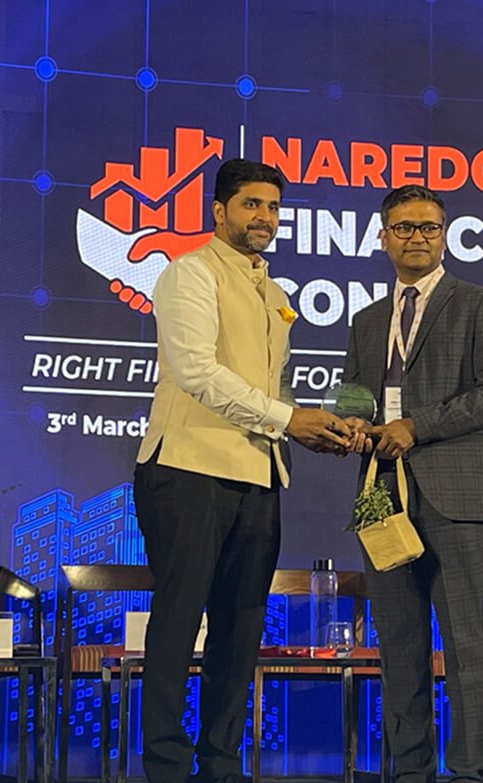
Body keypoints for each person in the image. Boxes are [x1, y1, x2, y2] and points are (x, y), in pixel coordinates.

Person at [132, 158, 353, 783]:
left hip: (259, 474)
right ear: (218, 211)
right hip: (187, 467)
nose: (265, 217)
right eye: (251, 204)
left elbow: (269, 390)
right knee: (179, 622)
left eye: (273, 207)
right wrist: (287, 418)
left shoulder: (275, 294)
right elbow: (197, 372)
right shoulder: (190, 273)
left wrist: (310, 430)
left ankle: (221, 765)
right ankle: (167, 768)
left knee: (240, 628)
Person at [342, 185, 483, 782]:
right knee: (398, 646)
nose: (417, 237)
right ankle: (410, 773)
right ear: (383, 237)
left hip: (455, 496)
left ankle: (469, 774)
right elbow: (356, 396)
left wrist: (416, 426)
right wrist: (349, 424)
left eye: (429, 227)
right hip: (382, 494)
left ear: (444, 235)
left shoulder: (478, 304)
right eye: (404, 227)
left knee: (466, 646)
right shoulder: (367, 320)